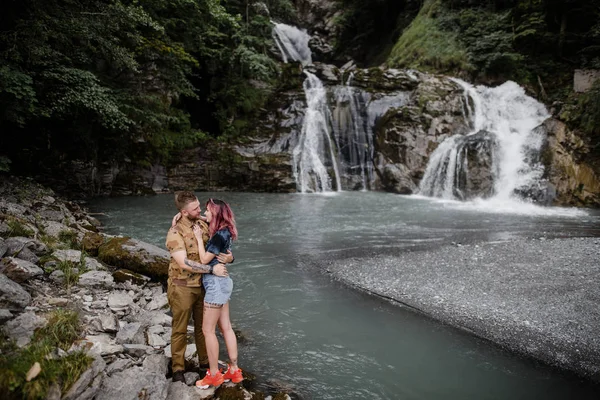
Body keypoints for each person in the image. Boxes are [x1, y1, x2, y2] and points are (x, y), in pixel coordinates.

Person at [165, 191, 233, 383]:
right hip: (182, 287)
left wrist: (230, 258)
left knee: (204, 329)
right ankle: (178, 368)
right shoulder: (174, 232)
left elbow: (220, 243)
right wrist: (212, 271)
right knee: (180, 328)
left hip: (203, 286)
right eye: (195, 208)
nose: (200, 210)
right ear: (185, 212)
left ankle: (206, 364)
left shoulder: (203, 224)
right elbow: (184, 262)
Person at [193, 198, 243, 389]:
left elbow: (205, 259)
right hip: (225, 282)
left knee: (208, 330)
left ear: (215, 213)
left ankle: (213, 374)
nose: (205, 213)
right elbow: (206, 219)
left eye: (207, 211)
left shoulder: (217, 236)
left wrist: (198, 239)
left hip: (214, 283)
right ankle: (234, 370)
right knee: (226, 327)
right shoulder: (227, 231)